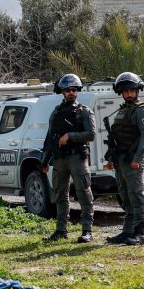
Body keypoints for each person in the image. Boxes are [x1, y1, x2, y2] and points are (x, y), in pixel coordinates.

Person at [41, 74, 96, 243]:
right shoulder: (56, 112)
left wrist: (70, 136)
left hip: (77, 157)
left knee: (84, 194)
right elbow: (50, 138)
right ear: (62, 92)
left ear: (78, 91)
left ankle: (87, 230)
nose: (71, 93)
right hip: (59, 159)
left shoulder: (84, 111)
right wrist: (45, 161)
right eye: (67, 90)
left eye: (74, 90)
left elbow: (91, 134)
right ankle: (61, 229)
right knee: (60, 195)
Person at [105, 72, 144, 246]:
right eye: (126, 92)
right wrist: (110, 158)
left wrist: (137, 158)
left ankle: (139, 234)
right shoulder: (121, 111)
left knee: (137, 197)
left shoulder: (141, 111)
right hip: (120, 161)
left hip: (133, 161)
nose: (129, 94)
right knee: (125, 197)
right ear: (121, 93)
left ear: (137, 91)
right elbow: (116, 138)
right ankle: (127, 232)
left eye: (132, 91)